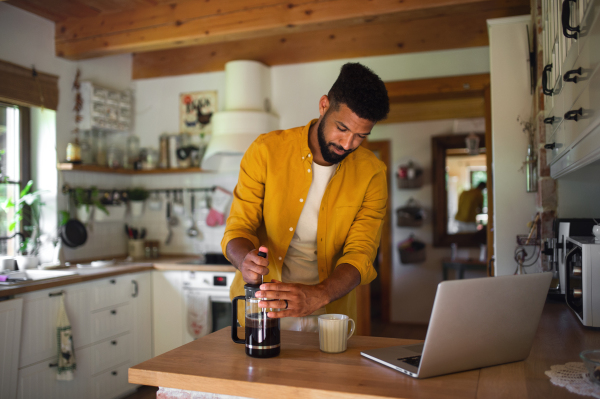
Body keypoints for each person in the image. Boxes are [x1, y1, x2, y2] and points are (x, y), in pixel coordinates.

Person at [221, 63, 390, 332]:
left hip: (329, 313)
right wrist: (244, 260)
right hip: (260, 309)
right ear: (324, 105)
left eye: (361, 136)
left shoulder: (372, 174)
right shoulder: (266, 152)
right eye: (342, 128)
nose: (348, 144)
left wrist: (319, 295)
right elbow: (238, 228)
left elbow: (361, 253)